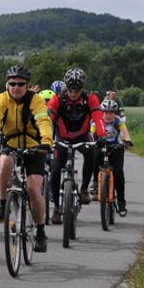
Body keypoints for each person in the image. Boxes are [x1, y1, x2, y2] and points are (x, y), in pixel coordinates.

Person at [0, 65, 53, 252]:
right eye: (12, 83)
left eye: (21, 84)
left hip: (35, 147)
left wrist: (46, 141)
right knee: (4, 163)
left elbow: (43, 120)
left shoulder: (35, 100)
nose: (16, 87)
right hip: (10, 144)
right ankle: (3, 204)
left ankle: (41, 231)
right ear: (7, 84)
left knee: (34, 189)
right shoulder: (3, 99)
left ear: (27, 85)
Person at [47, 67, 105, 225]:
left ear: (82, 87)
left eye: (77, 89)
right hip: (62, 138)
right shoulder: (58, 99)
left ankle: (85, 188)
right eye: (70, 89)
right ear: (66, 86)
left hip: (82, 135)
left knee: (91, 154)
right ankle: (57, 208)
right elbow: (48, 117)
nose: (73, 93)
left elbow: (98, 116)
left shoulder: (90, 98)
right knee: (55, 169)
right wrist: (44, 136)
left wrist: (102, 135)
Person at [92, 98, 133, 216]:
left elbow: (125, 132)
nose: (108, 115)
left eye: (111, 113)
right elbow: (91, 133)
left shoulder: (118, 121)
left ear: (114, 113)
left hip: (116, 147)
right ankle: (95, 182)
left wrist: (127, 140)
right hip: (101, 145)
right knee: (94, 157)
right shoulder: (97, 121)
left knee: (119, 173)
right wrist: (91, 142)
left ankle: (121, 203)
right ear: (102, 112)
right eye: (106, 112)